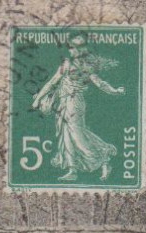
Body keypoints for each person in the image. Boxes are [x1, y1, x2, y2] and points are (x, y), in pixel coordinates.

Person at [32, 33, 125, 183]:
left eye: (74, 48)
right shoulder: (69, 64)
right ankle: (72, 170)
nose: (71, 51)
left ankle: (103, 160)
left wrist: (115, 91)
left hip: (74, 103)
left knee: (77, 136)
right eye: (70, 48)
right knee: (67, 135)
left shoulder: (83, 67)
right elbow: (52, 83)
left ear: (82, 50)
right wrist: (38, 98)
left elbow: (99, 83)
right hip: (64, 103)